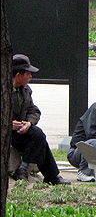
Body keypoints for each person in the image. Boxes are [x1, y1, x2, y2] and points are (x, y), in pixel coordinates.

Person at [11, 54, 71, 185]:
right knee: (39, 136)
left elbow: (33, 110)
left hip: (20, 130)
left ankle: (26, 169)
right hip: (7, 131)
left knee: (38, 136)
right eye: (28, 73)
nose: (30, 77)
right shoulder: (5, 90)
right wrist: (8, 124)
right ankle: (47, 174)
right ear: (18, 75)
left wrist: (29, 123)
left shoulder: (26, 90)